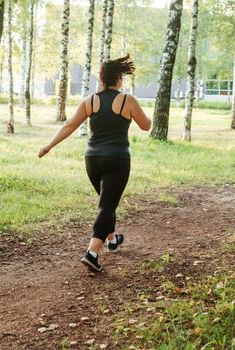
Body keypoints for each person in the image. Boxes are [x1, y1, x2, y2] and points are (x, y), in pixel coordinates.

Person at [38, 54, 151, 272]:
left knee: (107, 201)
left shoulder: (89, 101)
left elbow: (70, 125)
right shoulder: (128, 101)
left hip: (92, 159)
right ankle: (91, 253)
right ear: (119, 78)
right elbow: (146, 126)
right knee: (107, 205)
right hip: (117, 158)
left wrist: (49, 146)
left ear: (101, 79)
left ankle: (112, 240)